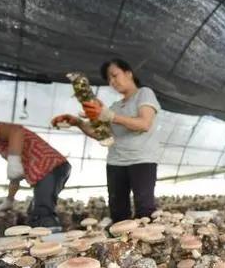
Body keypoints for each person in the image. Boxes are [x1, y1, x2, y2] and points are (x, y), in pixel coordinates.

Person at [52, 58, 161, 223]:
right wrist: (78, 123)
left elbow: (144, 124)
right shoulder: (115, 107)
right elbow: (102, 135)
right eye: (109, 79)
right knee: (118, 212)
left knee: (144, 211)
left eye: (115, 75)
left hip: (142, 161)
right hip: (116, 162)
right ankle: (122, 245)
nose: (112, 82)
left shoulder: (144, 93)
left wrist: (112, 116)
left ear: (128, 73)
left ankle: (145, 246)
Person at [0, 121, 71, 230]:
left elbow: (16, 130)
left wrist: (14, 159)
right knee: (33, 215)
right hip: (48, 172)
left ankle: (52, 244)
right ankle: (42, 241)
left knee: (42, 212)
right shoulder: (3, 147)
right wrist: (9, 200)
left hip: (51, 166)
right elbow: (15, 178)